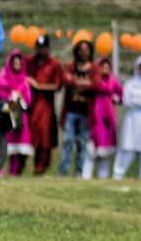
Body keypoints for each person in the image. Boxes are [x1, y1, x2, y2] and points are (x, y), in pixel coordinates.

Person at [113, 56, 141, 179]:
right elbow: (126, 102)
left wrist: (136, 100)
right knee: (128, 147)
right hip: (132, 119)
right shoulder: (130, 83)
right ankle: (119, 174)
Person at [26, 35, 65, 174]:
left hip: (46, 106)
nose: (40, 50)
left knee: (45, 138)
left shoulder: (54, 64)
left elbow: (58, 85)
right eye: (38, 47)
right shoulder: (29, 62)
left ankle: (41, 166)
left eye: (43, 48)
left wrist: (38, 85)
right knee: (31, 136)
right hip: (31, 104)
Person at [57, 39, 95, 177]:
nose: (83, 52)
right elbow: (65, 80)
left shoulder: (94, 68)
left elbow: (95, 84)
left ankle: (79, 172)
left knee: (82, 143)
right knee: (67, 141)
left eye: (86, 49)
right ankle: (63, 171)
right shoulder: (70, 67)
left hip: (86, 112)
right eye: (81, 49)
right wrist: (83, 82)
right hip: (71, 111)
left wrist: (76, 83)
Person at [0, 49, 33, 176]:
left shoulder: (24, 81)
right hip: (6, 114)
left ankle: (14, 172)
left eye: (19, 62)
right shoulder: (3, 78)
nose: (17, 65)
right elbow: (1, 94)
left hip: (20, 116)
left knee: (18, 146)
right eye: (14, 62)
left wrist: (19, 99)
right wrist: (12, 98)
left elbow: (28, 99)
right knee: (4, 144)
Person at [83, 58, 122, 180]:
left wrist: (116, 98)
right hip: (95, 116)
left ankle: (103, 176)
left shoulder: (113, 81)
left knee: (107, 148)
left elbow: (121, 94)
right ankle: (86, 176)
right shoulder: (94, 82)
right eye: (102, 66)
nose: (105, 69)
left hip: (108, 119)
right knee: (92, 148)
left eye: (107, 67)